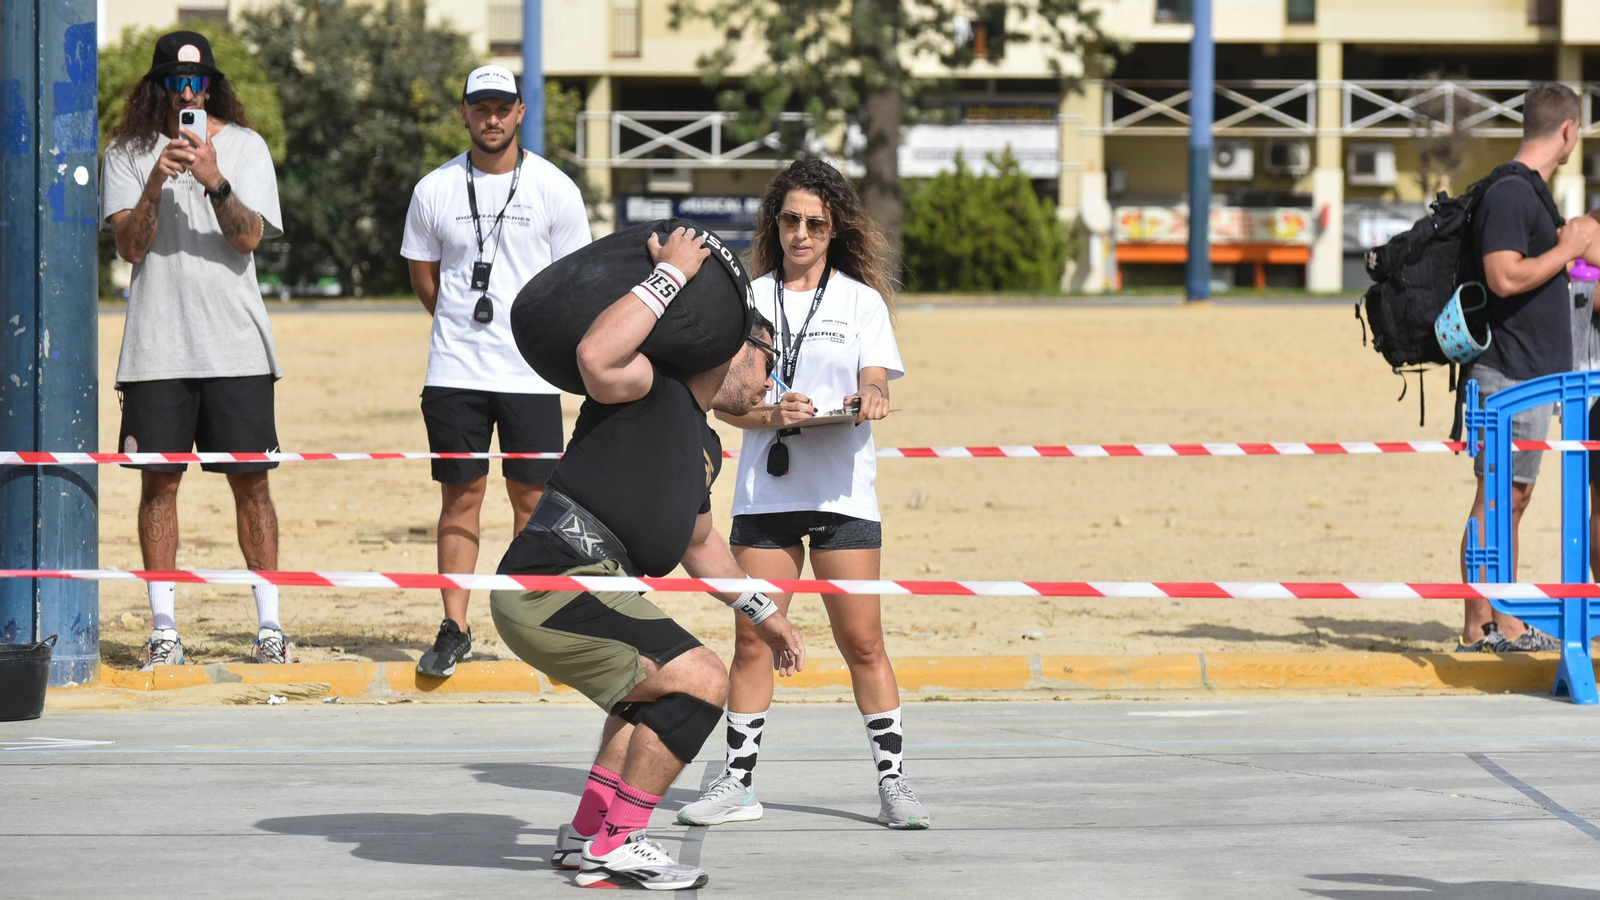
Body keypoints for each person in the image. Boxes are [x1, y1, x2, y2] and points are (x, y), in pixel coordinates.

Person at [488, 226, 806, 891]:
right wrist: (672, 276)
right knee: (702, 680)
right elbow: (596, 354)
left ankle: (588, 835)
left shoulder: (706, 445)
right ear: (733, 345)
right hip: (554, 582)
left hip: (586, 588)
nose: (771, 382)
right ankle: (620, 842)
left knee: (647, 695)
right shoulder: (646, 385)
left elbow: (701, 546)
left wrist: (765, 614)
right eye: (768, 361)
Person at [676, 158, 928, 829]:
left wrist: (869, 398)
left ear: (834, 228)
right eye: (791, 220)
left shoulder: (860, 301)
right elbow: (723, 401)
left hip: (843, 495)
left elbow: (876, 380)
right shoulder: (748, 296)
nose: (802, 234)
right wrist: (769, 414)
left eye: (816, 223)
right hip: (768, 495)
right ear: (774, 224)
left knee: (863, 643)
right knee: (754, 640)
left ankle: (894, 785)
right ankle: (737, 784)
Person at [101, 31, 288, 668]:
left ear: (211, 85)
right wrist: (155, 182)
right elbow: (130, 246)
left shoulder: (246, 146)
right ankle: (164, 630)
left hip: (236, 347)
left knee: (253, 486)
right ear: (159, 86)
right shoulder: (127, 152)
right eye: (177, 82)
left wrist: (215, 180)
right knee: (158, 487)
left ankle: (269, 628)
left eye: (198, 81)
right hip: (157, 348)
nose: (188, 92)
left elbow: (248, 238)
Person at [401, 65, 591, 678]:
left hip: (530, 373)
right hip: (455, 371)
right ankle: (454, 627)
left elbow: (572, 283)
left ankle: (534, 625)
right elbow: (425, 277)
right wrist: (460, 328)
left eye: (502, 107)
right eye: (480, 107)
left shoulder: (554, 188)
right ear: (464, 112)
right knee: (461, 498)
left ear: (519, 113)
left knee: (533, 499)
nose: (491, 118)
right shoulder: (434, 188)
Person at [1459, 82, 1598, 652]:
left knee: (1512, 499)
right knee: (1497, 499)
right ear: (1567, 129)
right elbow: (1504, 276)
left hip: (1529, 375)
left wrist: (1573, 248)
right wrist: (1568, 249)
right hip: (1507, 373)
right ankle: (1485, 625)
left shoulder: (1531, 193)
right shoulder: (1513, 192)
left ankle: (1501, 619)